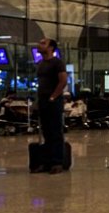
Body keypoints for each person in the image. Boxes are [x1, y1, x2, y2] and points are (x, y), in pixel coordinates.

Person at [34, 38, 70, 174]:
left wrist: (53, 97)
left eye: (43, 43)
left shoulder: (58, 63)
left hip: (53, 101)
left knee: (55, 131)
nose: (39, 44)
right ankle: (46, 161)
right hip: (43, 100)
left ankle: (57, 162)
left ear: (51, 48)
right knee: (46, 132)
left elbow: (63, 81)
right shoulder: (40, 64)